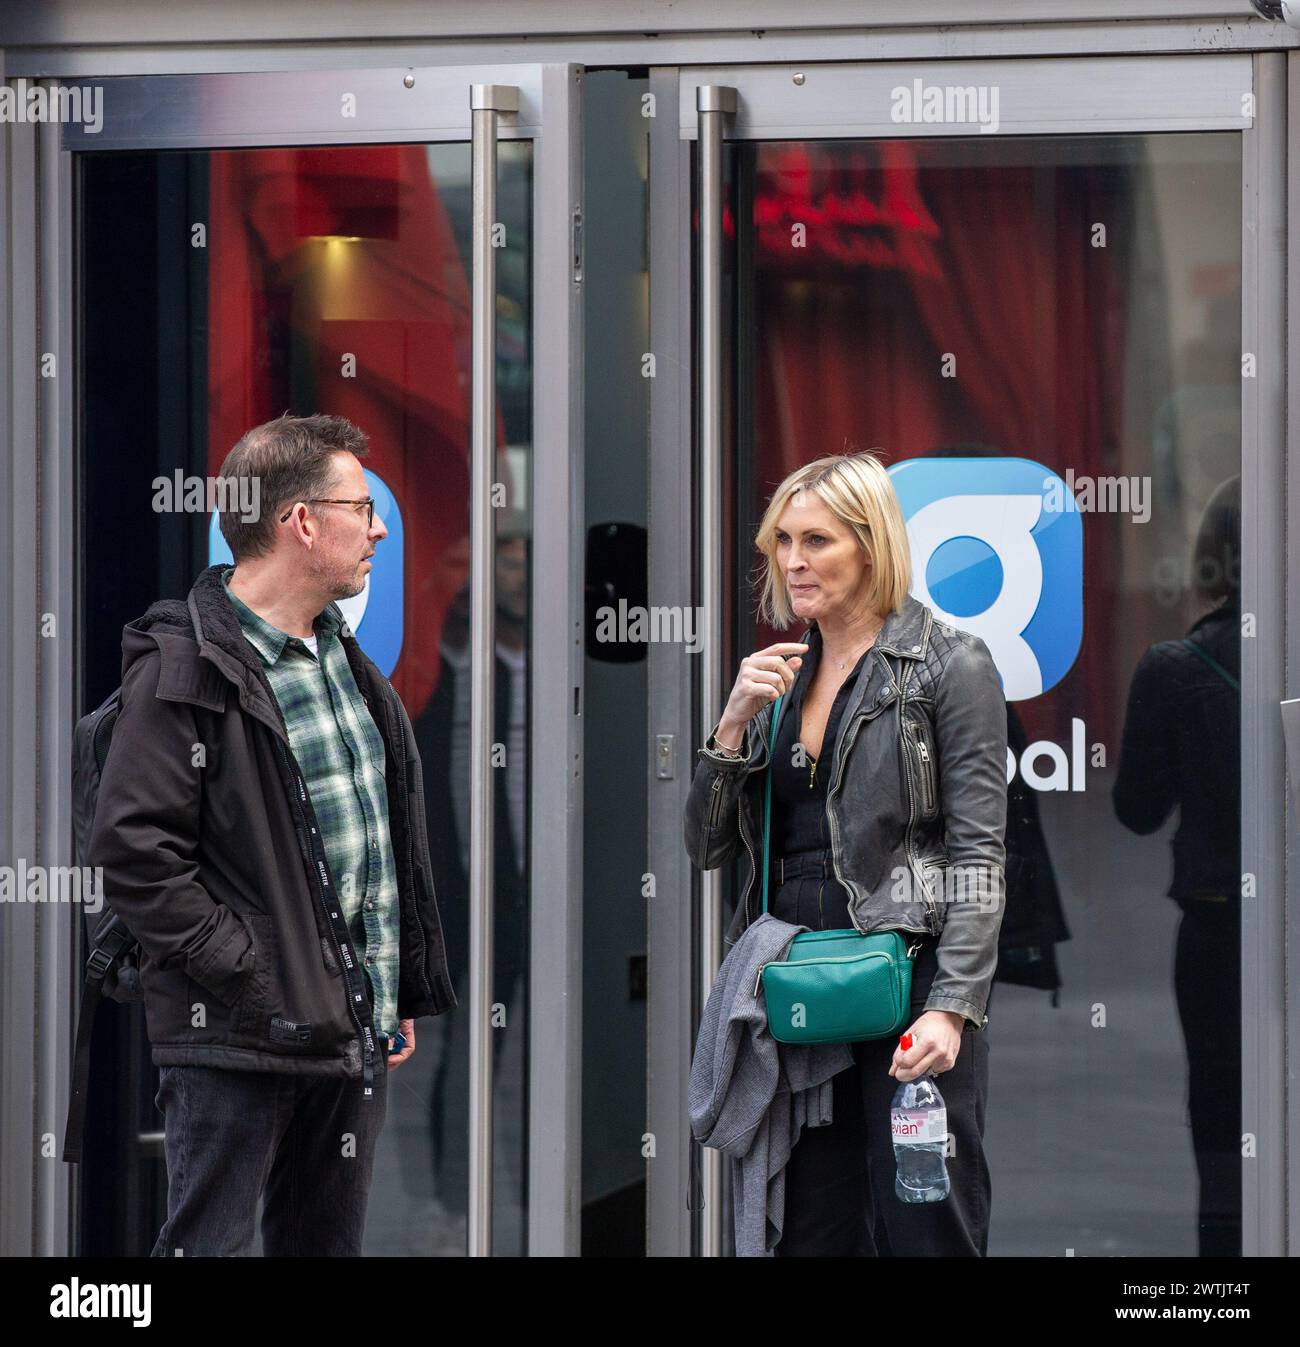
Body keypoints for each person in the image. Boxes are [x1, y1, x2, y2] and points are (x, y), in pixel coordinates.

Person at [89, 413, 456, 1256]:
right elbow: (134, 851)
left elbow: (369, 841)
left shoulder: (340, 656)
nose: (379, 526)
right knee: (207, 1245)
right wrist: (252, 972)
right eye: (360, 507)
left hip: (347, 1029)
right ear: (299, 522)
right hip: (237, 1034)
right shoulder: (185, 667)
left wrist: (385, 988)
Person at [683, 450, 1008, 1257]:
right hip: (802, 986)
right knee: (813, 1232)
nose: (793, 561)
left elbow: (977, 853)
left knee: (925, 1222)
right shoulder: (781, 678)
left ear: (872, 545)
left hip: (908, 978)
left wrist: (953, 1001)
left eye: (817, 540)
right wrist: (729, 727)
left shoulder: (947, 664)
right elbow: (707, 842)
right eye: (782, 541)